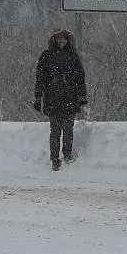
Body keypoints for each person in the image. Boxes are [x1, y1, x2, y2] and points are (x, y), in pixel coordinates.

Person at [33, 28, 87, 170]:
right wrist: (38, 96)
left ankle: (67, 155)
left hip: (70, 95)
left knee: (68, 128)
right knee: (55, 130)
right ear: (54, 40)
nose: (61, 41)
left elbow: (80, 76)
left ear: (68, 40)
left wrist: (82, 94)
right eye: (59, 38)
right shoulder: (46, 56)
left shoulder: (72, 55)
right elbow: (40, 77)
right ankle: (55, 158)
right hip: (53, 96)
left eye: (64, 38)